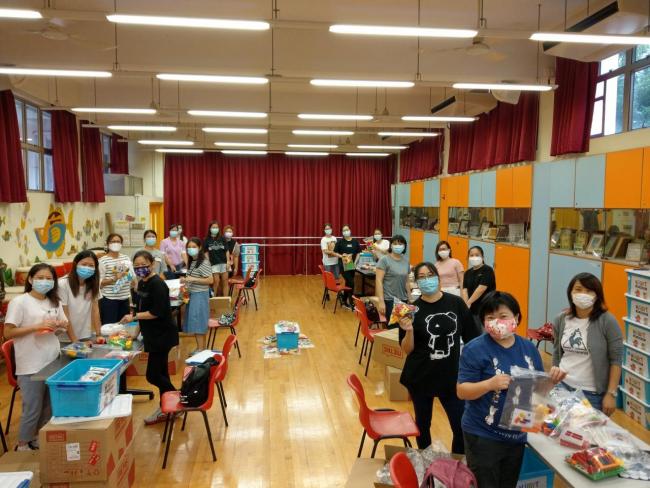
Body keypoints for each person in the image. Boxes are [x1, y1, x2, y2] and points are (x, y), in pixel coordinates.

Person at [457, 291, 550, 488]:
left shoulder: (529, 349)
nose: (497, 322)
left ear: (516, 317)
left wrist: (552, 382)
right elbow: (462, 391)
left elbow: (538, 390)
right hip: (483, 435)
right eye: (490, 317)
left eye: (503, 316)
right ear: (483, 321)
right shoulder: (474, 349)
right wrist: (489, 384)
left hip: (517, 435)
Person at [398, 262, 479, 455]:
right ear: (416, 282)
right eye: (421, 277)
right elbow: (407, 350)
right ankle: (425, 463)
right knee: (422, 425)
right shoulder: (410, 310)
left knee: (460, 426)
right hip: (420, 375)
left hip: (451, 377)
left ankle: (456, 465)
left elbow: (472, 339)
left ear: (438, 277)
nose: (427, 280)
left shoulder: (456, 303)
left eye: (430, 275)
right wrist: (408, 331)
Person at [4, 263, 76, 450]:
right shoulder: (20, 302)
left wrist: (60, 325)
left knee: (49, 405)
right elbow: (8, 333)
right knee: (33, 407)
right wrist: (37, 327)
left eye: (49, 279)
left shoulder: (54, 301)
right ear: (30, 279)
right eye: (40, 278)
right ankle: (22, 444)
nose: (45, 282)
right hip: (30, 363)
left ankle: (38, 437)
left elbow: (59, 328)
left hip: (52, 359)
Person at [549, 273, 623, 414]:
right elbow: (557, 352)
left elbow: (616, 360)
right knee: (556, 426)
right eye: (578, 289)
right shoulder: (561, 319)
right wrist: (554, 378)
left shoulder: (607, 321)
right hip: (562, 386)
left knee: (586, 429)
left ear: (597, 295)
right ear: (570, 292)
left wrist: (611, 394)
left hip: (592, 394)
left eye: (589, 291)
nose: (583, 294)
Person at [122, 250, 179, 425]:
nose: (140, 268)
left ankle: (179, 400)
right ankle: (167, 408)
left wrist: (134, 317)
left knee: (153, 376)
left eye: (143, 264)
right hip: (152, 335)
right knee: (162, 374)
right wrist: (136, 333)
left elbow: (156, 312)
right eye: (136, 266)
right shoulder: (142, 283)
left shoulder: (158, 285)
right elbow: (141, 310)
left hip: (162, 335)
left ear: (152, 264)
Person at [59, 250, 101, 341]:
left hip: (85, 335)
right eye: (84, 264)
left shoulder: (93, 284)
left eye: (91, 265)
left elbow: (95, 310)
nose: (87, 268)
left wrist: (98, 335)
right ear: (75, 264)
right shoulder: (63, 284)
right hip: (66, 338)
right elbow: (65, 315)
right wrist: (75, 341)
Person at [183, 237, 214, 352]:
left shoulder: (203, 262)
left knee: (198, 323)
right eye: (189, 247)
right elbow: (194, 277)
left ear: (200, 248)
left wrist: (193, 279)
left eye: (194, 247)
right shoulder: (193, 261)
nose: (191, 249)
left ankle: (201, 350)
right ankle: (201, 348)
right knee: (196, 323)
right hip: (193, 294)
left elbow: (210, 280)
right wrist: (186, 281)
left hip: (200, 295)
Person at [98, 233, 135, 325]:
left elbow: (131, 277)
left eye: (118, 241)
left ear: (121, 244)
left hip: (124, 298)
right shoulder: (102, 260)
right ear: (108, 244)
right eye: (113, 241)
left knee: (123, 326)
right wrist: (114, 278)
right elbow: (99, 283)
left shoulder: (126, 258)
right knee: (110, 326)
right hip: (109, 299)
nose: (116, 243)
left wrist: (129, 276)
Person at [375, 235, 410, 322]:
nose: (398, 246)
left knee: (403, 326)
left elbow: (407, 281)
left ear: (404, 246)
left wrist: (409, 297)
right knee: (394, 328)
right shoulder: (384, 260)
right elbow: (378, 281)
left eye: (400, 244)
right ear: (391, 245)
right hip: (390, 300)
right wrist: (381, 301)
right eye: (395, 243)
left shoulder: (406, 261)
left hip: (403, 299)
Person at [462, 246, 496, 326]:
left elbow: (481, 288)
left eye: (477, 255)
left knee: (484, 331)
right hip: (471, 310)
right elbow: (464, 290)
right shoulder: (467, 273)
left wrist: (469, 302)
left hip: (485, 309)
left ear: (482, 257)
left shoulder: (487, 270)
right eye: (471, 255)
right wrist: (466, 304)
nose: (474, 257)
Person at [333, 224, 361, 310]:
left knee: (348, 283)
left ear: (350, 230)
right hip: (343, 265)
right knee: (351, 283)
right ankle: (351, 301)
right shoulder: (340, 242)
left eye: (347, 229)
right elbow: (334, 252)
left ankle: (344, 300)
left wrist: (355, 263)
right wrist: (341, 256)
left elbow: (359, 252)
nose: (346, 231)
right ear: (342, 232)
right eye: (344, 230)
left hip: (352, 265)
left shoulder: (355, 241)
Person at [204, 221, 230, 296]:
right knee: (216, 282)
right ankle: (214, 299)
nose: (215, 229)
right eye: (213, 227)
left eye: (216, 227)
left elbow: (227, 250)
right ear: (210, 228)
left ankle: (226, 300)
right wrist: (208, 262)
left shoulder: (222, 238)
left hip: (224, 263)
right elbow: (205, 252)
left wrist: (228, 261)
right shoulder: (206, 239)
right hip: (213, 263)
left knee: (225, 282)